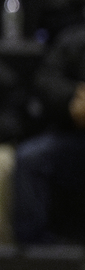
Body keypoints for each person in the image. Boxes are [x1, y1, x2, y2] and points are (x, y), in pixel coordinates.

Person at [13, 21, 85, 245]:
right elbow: (45, 80)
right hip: (77, 140)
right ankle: (36, 258)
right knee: (30, 157)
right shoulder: (75, 38)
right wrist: (72, 97)